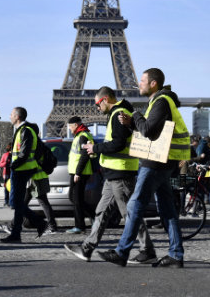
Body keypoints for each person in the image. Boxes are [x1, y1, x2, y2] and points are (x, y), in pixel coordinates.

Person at [98, 68, 189, 268]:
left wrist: (136, 115)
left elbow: (148, 131)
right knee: (167, 209)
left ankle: (122, 252)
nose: (139, 84)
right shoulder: (160, 102)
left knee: (134, 204)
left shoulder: (161, 101)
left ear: (153, 83)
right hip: (165, 160)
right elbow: (148, 129)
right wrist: (132, 123)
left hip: (155, 161)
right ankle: (175, 254)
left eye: (142, 80)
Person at [64, 86, 155, 262]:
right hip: (113, 173)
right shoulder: (118, 113)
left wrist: (95, 148)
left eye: (98, 104)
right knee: (101, 212)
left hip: (121, 172)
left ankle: (147, 250)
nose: (97, 108)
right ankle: (86, 249)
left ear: (105, 99)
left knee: (130, 214)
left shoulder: (118, 114)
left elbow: (118, 144)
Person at [0, 107, 48, 243]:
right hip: (23, 169)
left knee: (14, 202)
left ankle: (37, 223)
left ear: (17, 117)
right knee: (18, 202)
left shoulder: (25, 130)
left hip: (21, 169)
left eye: (11, 114)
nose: (9, 116)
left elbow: (24, 153)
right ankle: (18, 233)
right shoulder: (25, 130)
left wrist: (13, 166)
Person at [65, 116, 95, 234]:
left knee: (76, 199)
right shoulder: (80, 135)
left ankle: (80, 226)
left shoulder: (82, 136)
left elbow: (84, 155)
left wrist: (78, 172)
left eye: (70, 126)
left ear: (76, 125)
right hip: (77, 171)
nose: (69, 128)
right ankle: (94, 216)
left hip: (80, 172)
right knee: (75, 198)